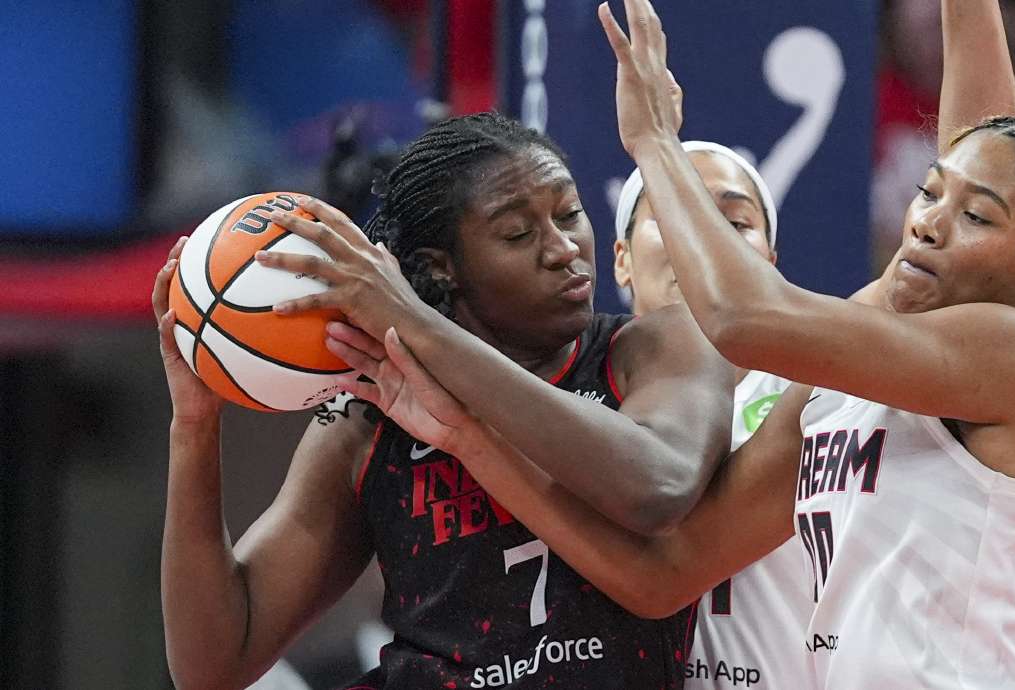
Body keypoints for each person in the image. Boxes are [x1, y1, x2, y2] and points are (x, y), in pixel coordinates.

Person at [319, 0, 1015, 687]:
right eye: (927, 195)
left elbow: (749, 320)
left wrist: (658, 147)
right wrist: (467, 434)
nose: (928, 223)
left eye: (973, 216)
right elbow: (664, 572)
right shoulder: (835, 385)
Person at [155, 111, 736, 689]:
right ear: (442, 268)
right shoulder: (369, 419)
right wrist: (194, 427)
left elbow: (659, 486)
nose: (563, 249)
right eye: (518, 233)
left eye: (569, 214)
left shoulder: (657, 346)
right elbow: (214, 664)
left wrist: (413, 321)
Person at [614, 140, 816, 687]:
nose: (700, 235)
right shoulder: (570, 397)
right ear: (622, 258)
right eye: (673, 212)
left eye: (734, 220)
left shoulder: (821, 396)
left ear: (770, 265)